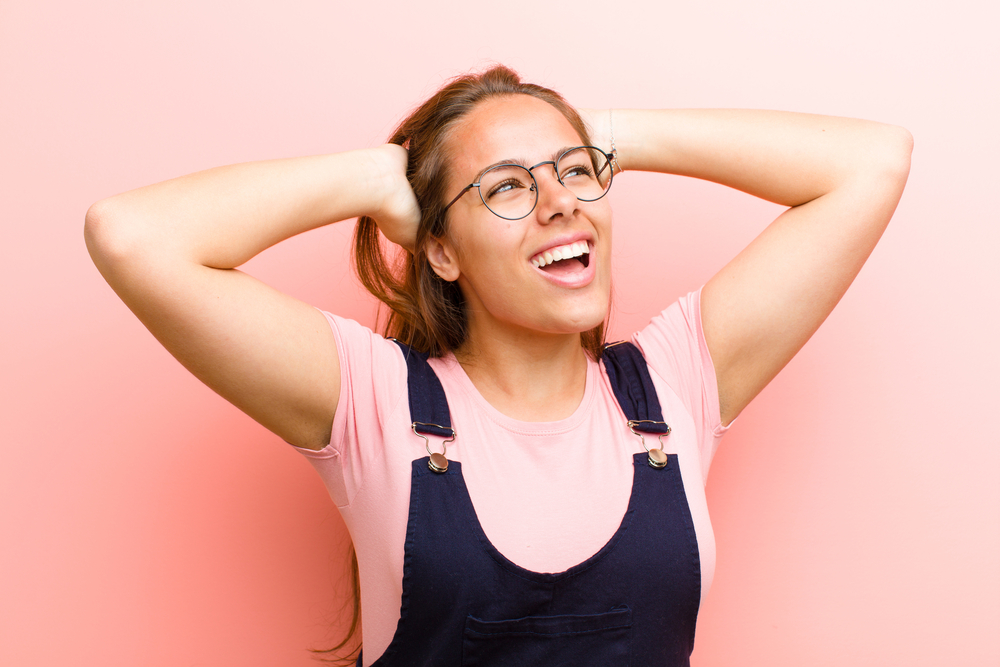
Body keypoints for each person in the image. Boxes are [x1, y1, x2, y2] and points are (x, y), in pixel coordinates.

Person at [84, 65, 912, 666]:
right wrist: (376, 177)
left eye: (577, 173)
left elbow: (871, 162)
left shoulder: (676, 379)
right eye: (505, 187)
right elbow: (133, 236)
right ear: (439, 249)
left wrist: (614, 132)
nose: (559, 203)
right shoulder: (376, 400)